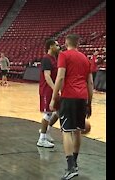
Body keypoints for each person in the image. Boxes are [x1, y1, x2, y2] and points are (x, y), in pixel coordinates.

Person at [49, 34, 93, 180]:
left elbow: (60, 77)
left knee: (66, 131)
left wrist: (54, 98)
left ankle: (70, 167)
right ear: (78, 44)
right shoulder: (85, 58)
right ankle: (75, 162)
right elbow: (90, 83)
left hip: (69, 96)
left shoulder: (63, 55)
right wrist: (89, 103)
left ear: (66, 43)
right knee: (78, 131)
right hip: (82, 97)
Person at [37, 39, 60, 148]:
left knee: (60, 111)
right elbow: (47, 76)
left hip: (53, 89)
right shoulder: (46, 59)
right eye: (57, 45)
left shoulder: (54, 58)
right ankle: (41, 139)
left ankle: (47, 131)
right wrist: (55, 88)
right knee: (47, 113)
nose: (59, 47)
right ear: (51, 46)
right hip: (47, 90)